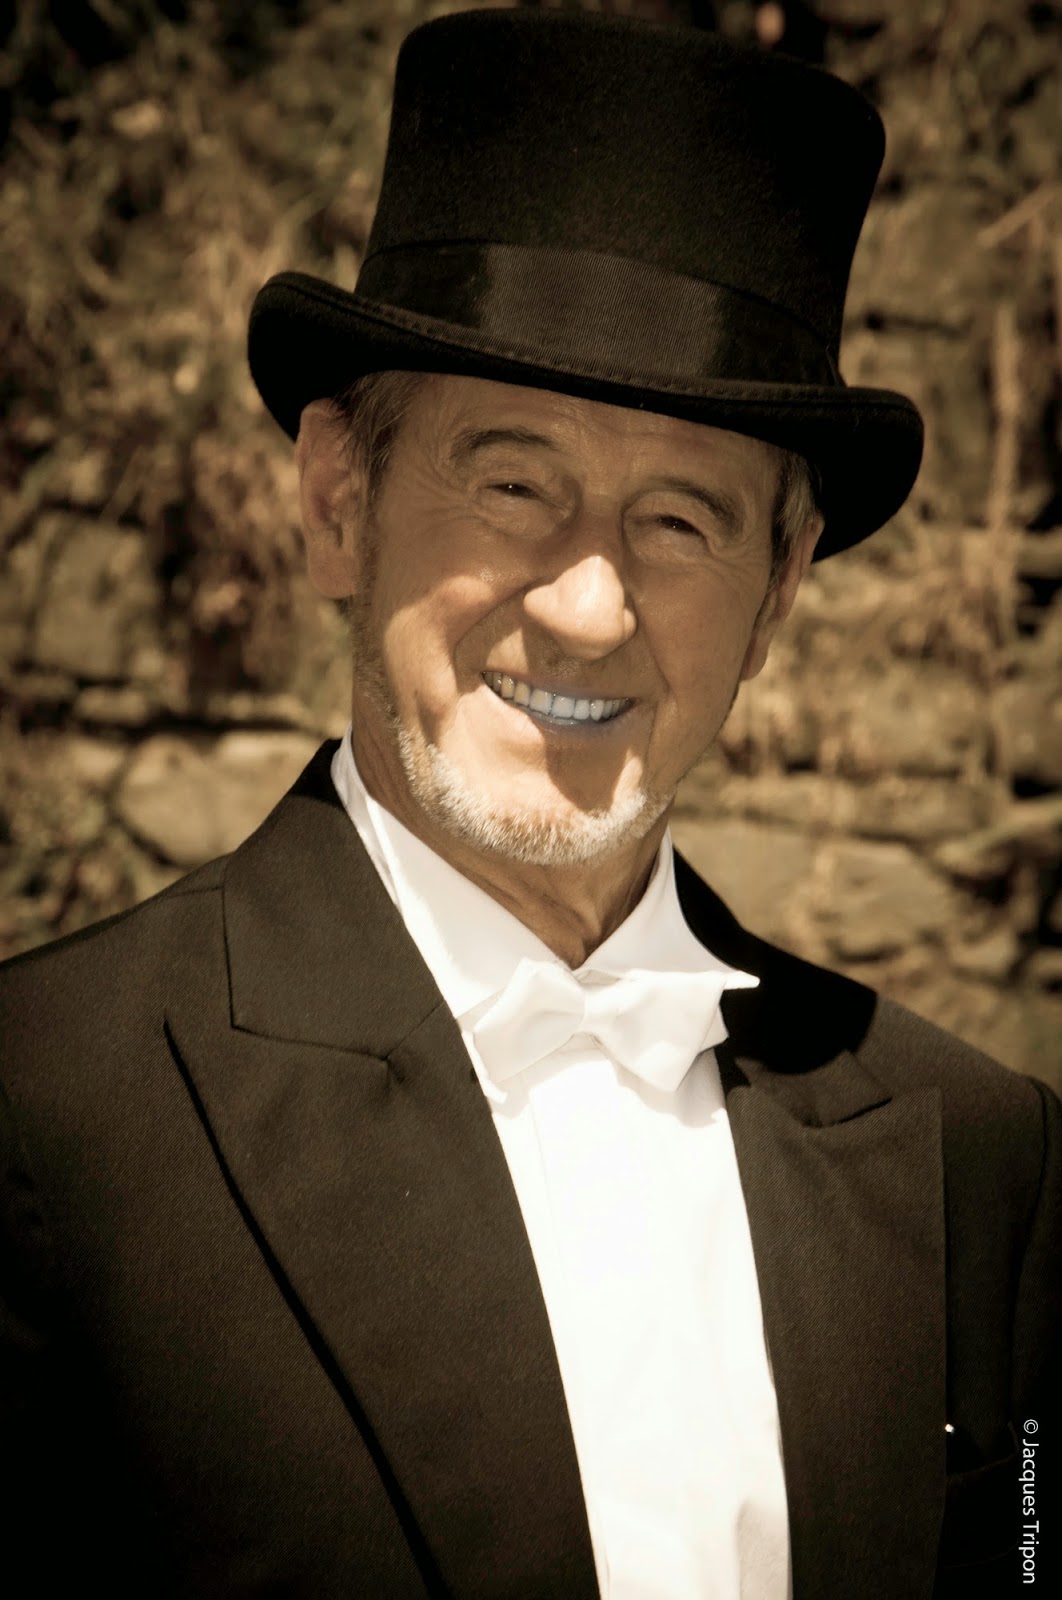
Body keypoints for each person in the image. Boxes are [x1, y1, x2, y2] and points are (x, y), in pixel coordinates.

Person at [1, 9, 1057, 1598]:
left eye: (681, 522)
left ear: (776, 595)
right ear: (337, 502)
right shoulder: (45, 1111)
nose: (586, 607)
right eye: (511, 483)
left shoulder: (982, 1155)